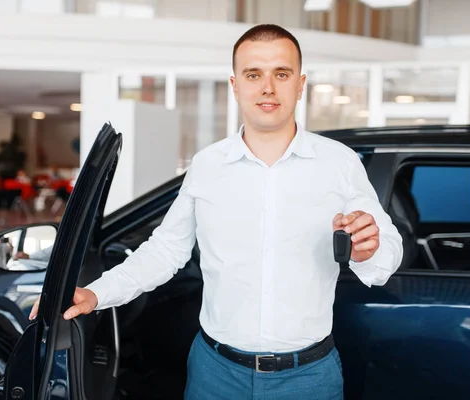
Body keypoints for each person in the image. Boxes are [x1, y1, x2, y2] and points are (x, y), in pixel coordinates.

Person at [29, 24, 403, 399]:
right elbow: (165, 250)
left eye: (282, 74)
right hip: (217, 376)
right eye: (253, 74)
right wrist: (96, 293)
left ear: (300, 84)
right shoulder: (207, 165)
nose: (268, 87)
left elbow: (387, 251)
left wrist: (369, 249)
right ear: (235, 84)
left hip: (308, 379)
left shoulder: (338, 162)